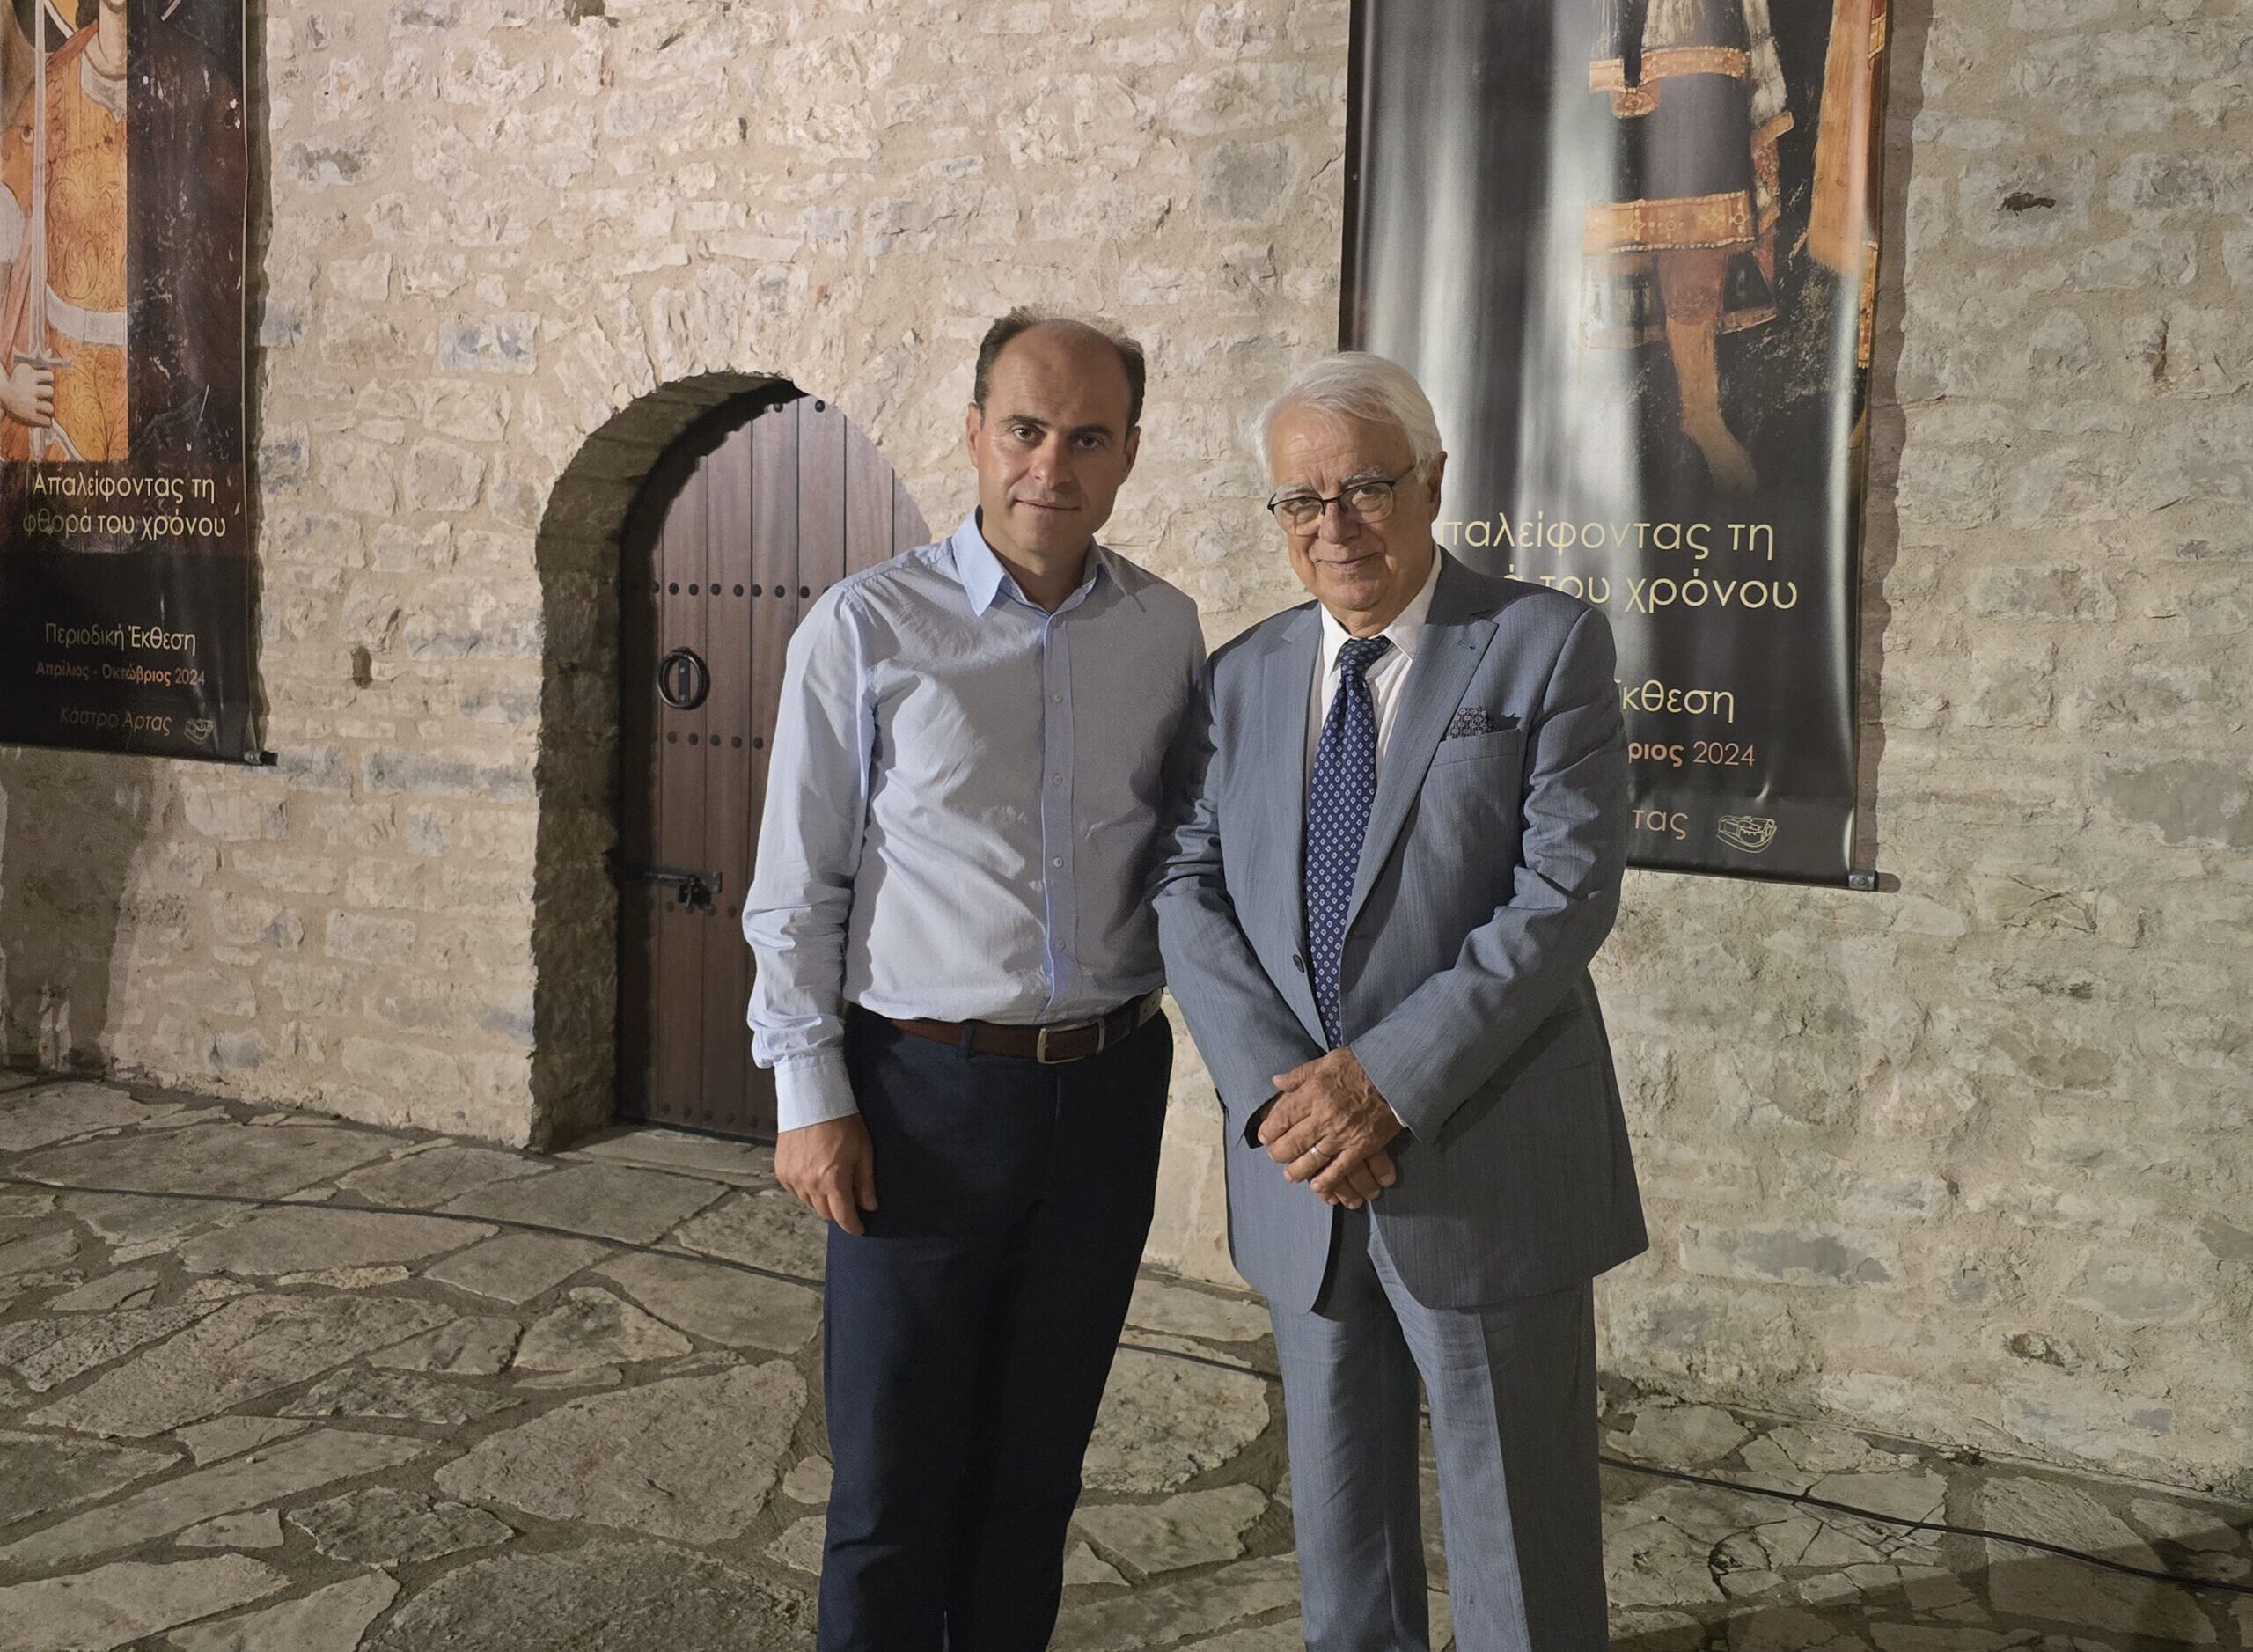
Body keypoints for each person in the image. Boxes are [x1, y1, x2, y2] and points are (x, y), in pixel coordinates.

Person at [1153, 351, 1647, 1651]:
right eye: (1300, 500)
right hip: (1303, 1170)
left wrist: (1382, 1083)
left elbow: (1563, 896)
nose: (1334, 525)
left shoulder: (1544, 645)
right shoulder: (1242, 675)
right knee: (1342, 1534)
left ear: (1433, 481)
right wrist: (1289, 1100)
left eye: (1366, 487)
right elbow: (1187, 884)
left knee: (1520, 1542)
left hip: (1484, 1156)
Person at [742, 310, 1204, 1652]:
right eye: (1026, 428)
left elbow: (1189, 852)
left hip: (1105, 1093)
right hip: (919, 1098)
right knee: (891, 1484)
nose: (1052, 463)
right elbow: (797, 881)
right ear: (974, 433)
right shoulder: (867, 626)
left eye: (1088, 437)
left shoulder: (1165, 630)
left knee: (1034, 1475)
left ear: (1128, 454)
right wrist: (809, 1096)